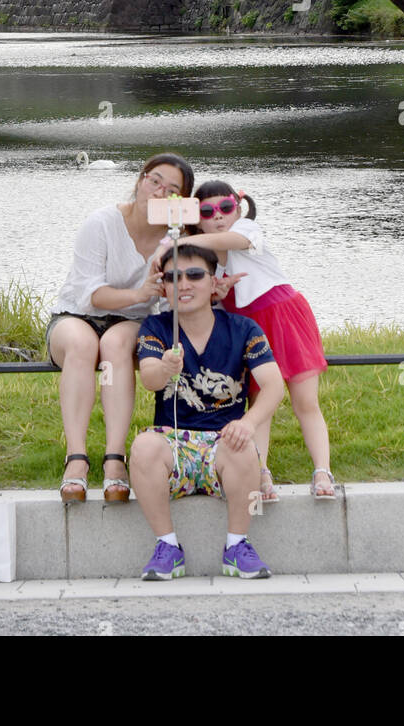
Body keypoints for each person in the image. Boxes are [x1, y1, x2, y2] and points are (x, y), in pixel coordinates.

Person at [130, 242, 284, 580]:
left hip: (224, 444)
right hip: (175, 445)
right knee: (143, 446)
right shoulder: (156, 329)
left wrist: (248, 422)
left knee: (244, 446)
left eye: (195, 275)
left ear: (214, 283)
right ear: (165, 288)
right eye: (173, 278)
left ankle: (237, 547)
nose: (184, 284)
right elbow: (150, 381)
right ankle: (168, 547)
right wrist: (167, 367)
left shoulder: (244, 330)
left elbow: (274, 386)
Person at [46, 152, 194, 504]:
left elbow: (177, 294)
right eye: (154, 180)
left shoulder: (177, 236)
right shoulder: (101, 223)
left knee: (114, 346)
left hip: (129, 322)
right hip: (76, 314)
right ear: (140, 181)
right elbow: (90, 295)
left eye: (173, 190)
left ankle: (115, 458)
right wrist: (140, 292)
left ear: (182, 200)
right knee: (83, 344)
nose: (160, 192)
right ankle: (76, 458)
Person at [182, 179, 334, 501]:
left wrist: (185, 241)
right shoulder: (201, 259)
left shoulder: (248, 229)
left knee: (305, 401)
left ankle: (322, 470)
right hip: (248, 331)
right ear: (197, 217)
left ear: (238, 207)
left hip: (283, 316)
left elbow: (233, 239)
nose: (219, 216)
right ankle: (261, 472)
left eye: (226, 207)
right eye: (207, 211)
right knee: (258, 404)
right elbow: (207, 304)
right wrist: (216, 293)